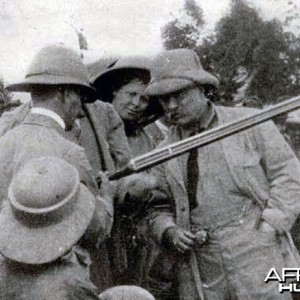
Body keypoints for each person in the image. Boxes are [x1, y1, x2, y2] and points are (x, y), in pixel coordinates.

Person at [145, 49, 300, 299]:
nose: (171, 106)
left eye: (179, 95)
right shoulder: (162, 152)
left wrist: (269, 226)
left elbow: (289, 176)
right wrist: (170, 231)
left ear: (202, 88)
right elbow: (157, 205)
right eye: (164, 99)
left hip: (259, 251)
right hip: (200, 264)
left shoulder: (250, 123)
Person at [0, 45, 114, 299]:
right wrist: (106, 197)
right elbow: (93, 230)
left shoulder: (3, 142)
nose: (81, 108)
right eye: (80, 97)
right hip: (56, 285)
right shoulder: (69, 152)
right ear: (64, 92)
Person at [91, 56, 162, 287]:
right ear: (114, 92)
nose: (136, 103)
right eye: (130, 94)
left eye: (143, 99)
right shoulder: (96, 132)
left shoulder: (148, 137)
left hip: (138, 232)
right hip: (103, 228)